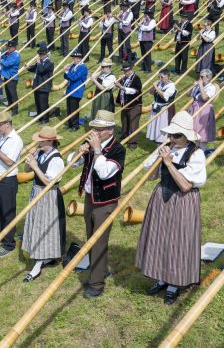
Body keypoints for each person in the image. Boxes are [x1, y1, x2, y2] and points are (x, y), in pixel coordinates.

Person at [137, 111, 206, 305]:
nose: (172, 139)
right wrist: (158, 159)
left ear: (187, 136)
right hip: (162, 196)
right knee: (160, 237)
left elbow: (185, 185)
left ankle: (175, 284)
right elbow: (150, 177)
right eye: (170, 135)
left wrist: (168, 163)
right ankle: (161, 278)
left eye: (177, 135)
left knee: (178, 241)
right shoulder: (167, 148)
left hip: (183, 201)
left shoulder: (196, 154)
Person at [77, 110, 126, 298]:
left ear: (110, 130)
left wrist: (97, 150)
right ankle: (100, 268)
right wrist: (79, 152)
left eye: (100, 129)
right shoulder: (91, 145)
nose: (95, 131)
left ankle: (97, 283)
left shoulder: (118, 149)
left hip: (105, 201)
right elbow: (71, 164)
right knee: (91, 237)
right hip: (90, 197)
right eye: (94, 128)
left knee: (99, 241)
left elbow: (105, 172)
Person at [21, 126, 66, 281]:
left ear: (50, 141)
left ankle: (40, 262)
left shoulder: (57, 160)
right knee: (36, 223)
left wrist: (35, 166)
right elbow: (27, 170)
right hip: (37, 192)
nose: (38, 144)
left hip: (48, 195)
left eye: (41, 142)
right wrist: (30, 160)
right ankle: (41, 255)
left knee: (44, 226)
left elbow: (49, 181)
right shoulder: (41, 153)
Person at [0, 111, 24, 257]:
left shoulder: (16, 140)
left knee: (8, 212)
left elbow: (9, 162)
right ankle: (1, 236)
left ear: (8, 124)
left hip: (7, 180)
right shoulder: (0, 137)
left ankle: (9, 244)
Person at [116, 63, 143, 149]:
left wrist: (122, 87)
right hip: (125, 105)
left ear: (130, 70)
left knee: (133, 124)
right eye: (124, 71)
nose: (125, 73)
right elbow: (118, 88)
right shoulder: (124, 78)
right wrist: (119, 81)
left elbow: (135, 91)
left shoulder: (136, 78)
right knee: (124, 123)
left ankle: (133, 142)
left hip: (134, 105)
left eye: (126, 71)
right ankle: (124, 137)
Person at [188, 69, 217, 150]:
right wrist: (192, 86)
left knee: (202, 132)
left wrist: (200, 85)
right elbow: (188, 94)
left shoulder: (211, 87)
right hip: (195, 108)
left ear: (208, 78)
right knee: (193, 130)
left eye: (202, 77)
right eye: (199, 76)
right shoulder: (198, 85)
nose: (200, 78)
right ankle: (193, 151)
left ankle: (201, 152)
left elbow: (205, 97)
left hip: (204, 111)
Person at [146, 70, 177, 143]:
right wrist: (154, 86)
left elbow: (164, 96)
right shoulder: (160, 83)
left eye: (162, 77)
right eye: (159, 77)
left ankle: (163, 143)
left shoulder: (171, 86)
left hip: (164, 109)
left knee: (162, 126)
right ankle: (157, 143)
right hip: (156, 107)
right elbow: (150, 92)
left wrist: (156, 87)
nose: (160, 78)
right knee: (155, 126)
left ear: (167, 77)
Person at [28, 43, 54, 123]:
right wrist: (28, 67)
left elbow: (41, 70)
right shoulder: (41, 62)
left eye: (41, 54)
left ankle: (45, 119)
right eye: (39, 54)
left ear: (46, 54)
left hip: (44, 86)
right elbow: (35, 69)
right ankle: (40, 117)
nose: (40, 56)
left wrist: (39, 63)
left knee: (43, 104)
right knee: (38, 102)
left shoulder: (49, 63)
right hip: (37, 84)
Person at [63, 50, 88, 131]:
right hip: (70, 89)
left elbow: (74, 77)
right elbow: (67, 77)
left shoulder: (83, 67)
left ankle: (75, 125)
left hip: (77, 91)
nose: (74, 60)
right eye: (74, 58)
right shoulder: (73, 66)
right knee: (69, 108)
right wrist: (66, 71)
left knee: (74, 109)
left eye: (76, 58)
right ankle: (70, 123)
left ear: (80, 59)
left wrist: (67, 72)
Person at [0, 40, 21, 115]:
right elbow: (3, 57)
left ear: (14, 47)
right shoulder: (9, 53)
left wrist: (0, 60)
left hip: (12, 76)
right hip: (6, 75)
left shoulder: (16, 55)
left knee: (13, 93)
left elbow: (7, 64)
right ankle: (10, 105)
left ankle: (15, 109)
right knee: (7, 92)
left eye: (10, 47)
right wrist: (3, 52)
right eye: (8, 47)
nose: (8, 48)